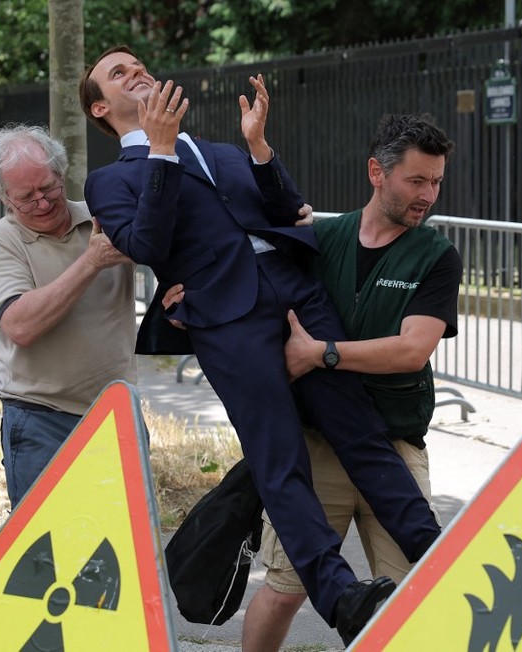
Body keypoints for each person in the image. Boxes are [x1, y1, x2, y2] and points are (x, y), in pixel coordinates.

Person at [79, 45, 441, 645]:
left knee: (361, 432)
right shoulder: (109, 180)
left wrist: (259, 147)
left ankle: (439, 552)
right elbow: (147, 244)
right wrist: (161, 152)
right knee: (279, 458)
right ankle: (341, 596)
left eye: (140, 65)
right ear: (99, 107)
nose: (137, 72)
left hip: (300, 298)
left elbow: (288, 210)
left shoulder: (224, 151)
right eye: (119, 73)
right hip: (227, 321)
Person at [240, 113, 461, 651]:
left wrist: (322, 354)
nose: (428, 195)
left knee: (414, 597)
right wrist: (184, 304)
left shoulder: (436, 256)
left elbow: (411, 350)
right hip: (319, 447)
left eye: (436, 182)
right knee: (285, 589)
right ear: (376, 173)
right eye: (416, 180)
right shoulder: (322, 238)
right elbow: (255, 289)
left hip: (395, 447)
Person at [0, 124, 137, 509]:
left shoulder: (103, 217)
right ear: (3, 199)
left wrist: (178, 296)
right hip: (41, 420)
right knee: (45, 542)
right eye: (26, 198)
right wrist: (91, 261)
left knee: (122, 536)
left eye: (48, 188)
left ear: (61, 173)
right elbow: (19, 324)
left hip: (116, 411)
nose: (43, 203)